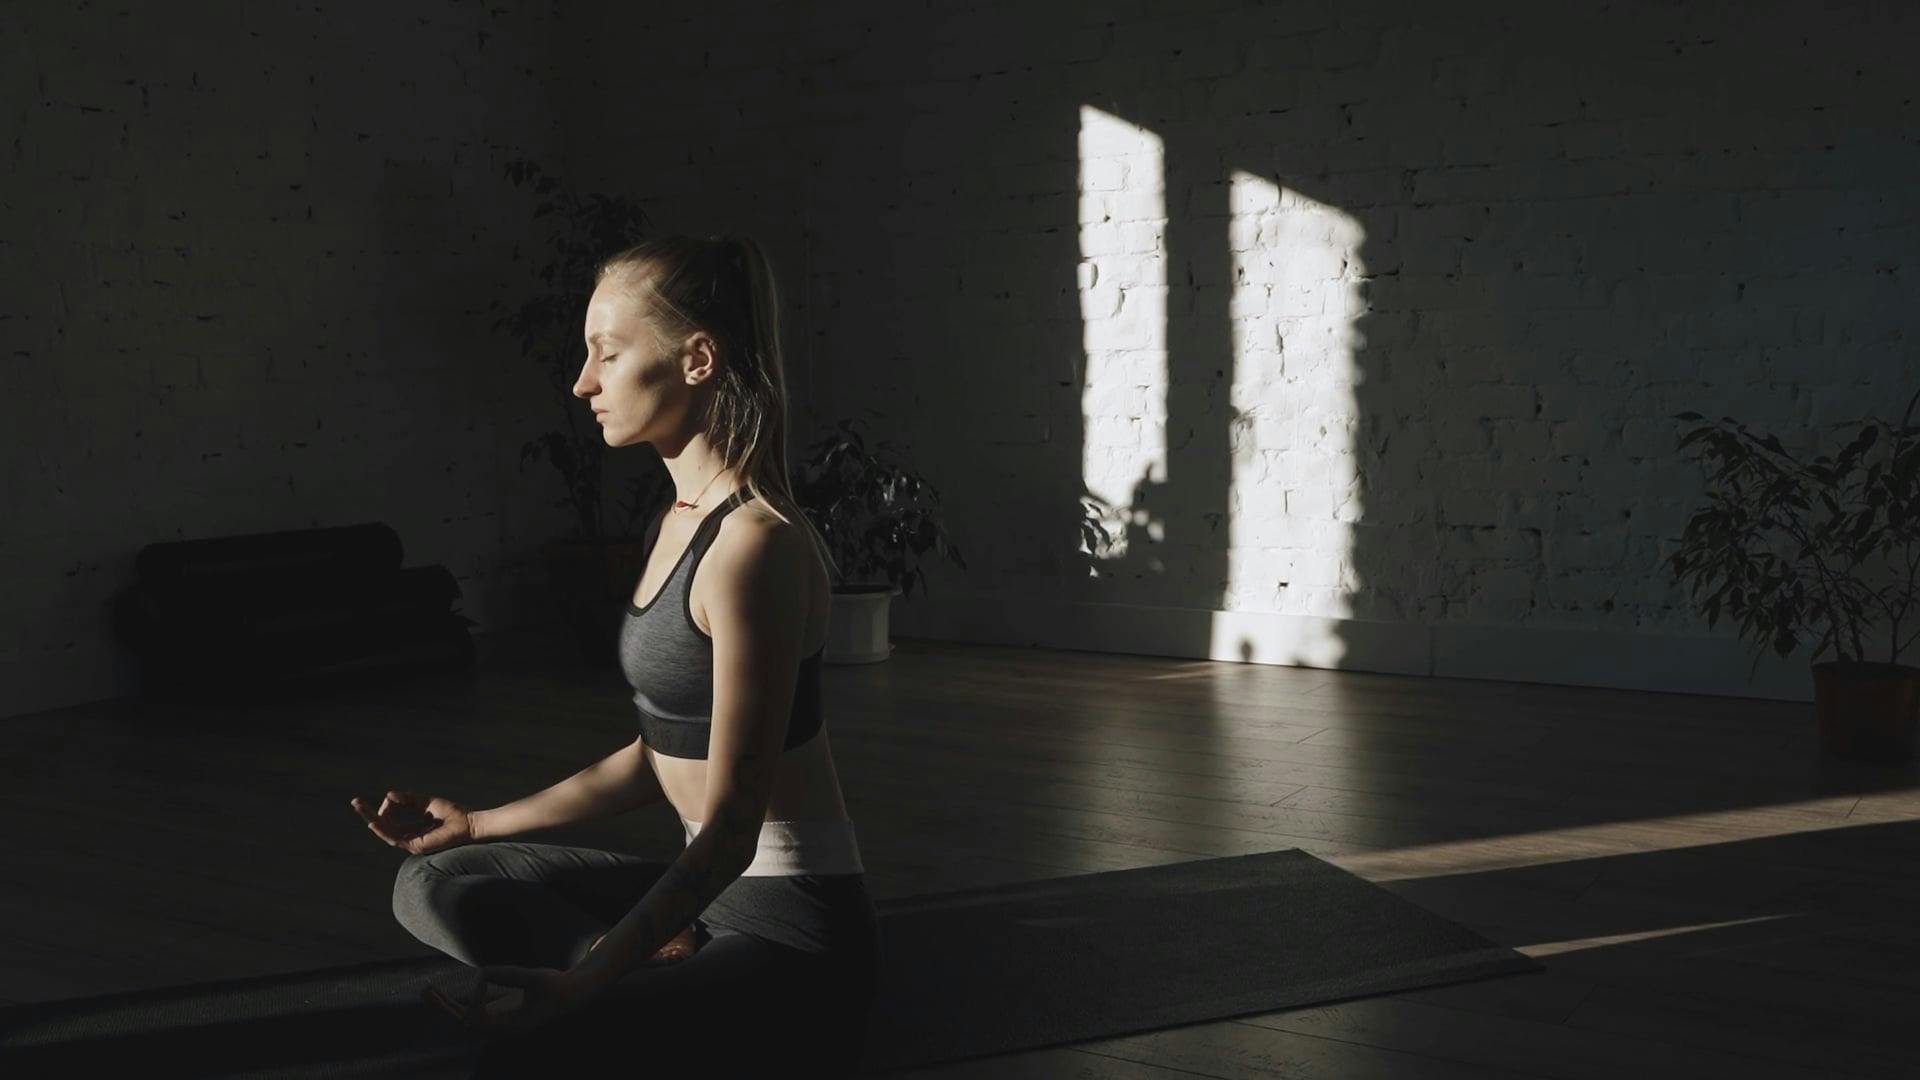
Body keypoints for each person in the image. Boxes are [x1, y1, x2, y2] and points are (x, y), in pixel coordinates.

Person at [354, 234, 880, 1075]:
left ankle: (615, 979)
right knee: (433, 880)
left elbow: (736, 830)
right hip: (703, 897)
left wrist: (586, 983)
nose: (583, 382)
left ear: (698, 359)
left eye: (607, 352)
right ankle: (634, 959)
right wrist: (479, 822)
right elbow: (657, 756)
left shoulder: (756, 549)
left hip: (788, 930)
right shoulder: (673, 524)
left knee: (531, 1046)